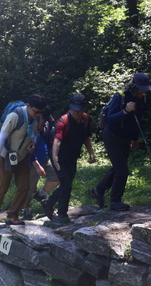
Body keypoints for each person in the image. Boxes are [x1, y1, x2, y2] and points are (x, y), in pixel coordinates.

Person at [90, 73, 151, 211]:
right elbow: (111, 120)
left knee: (119, 167)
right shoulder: (121, 96)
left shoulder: (142, 99)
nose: (143, 91)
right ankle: (115, 201)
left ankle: (98, 191)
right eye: (141, 89)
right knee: (122, 170)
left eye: (145, 89)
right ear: (134, 86)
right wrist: (125, 111)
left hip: (126, 137)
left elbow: (137, 121)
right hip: (112, 135)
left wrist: (135, 139)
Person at [0, 94, 47, 225]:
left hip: (23, 156)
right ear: (28, 106)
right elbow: (1, 137)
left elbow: (35, 134)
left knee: (24, 187)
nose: (38, 114)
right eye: (36, 111)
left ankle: (13, 214)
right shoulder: (15, 116)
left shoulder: (37, 119)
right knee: (3, 186)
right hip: (7, 156)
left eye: (41, 112)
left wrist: (32, 144)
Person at [43, 94, 96, 223]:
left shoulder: (86, 119)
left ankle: (49, 203)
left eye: (79, 110)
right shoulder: (63, 121)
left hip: (72, 155)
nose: (76, 112)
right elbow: (57, 141)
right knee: (66, 185)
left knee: (66, 184)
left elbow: (86, 138)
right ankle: (62, 214)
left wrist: (91, 153)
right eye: (73, 109)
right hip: (58, 156)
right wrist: (54, 157)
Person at [21, 108, 59, 220]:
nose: (45, 122)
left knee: (56, 177)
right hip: (31, 163)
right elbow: (28, 150)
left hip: (45, 158)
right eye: (44, 119)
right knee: (29, 188)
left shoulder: (46, 126)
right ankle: (25, 209)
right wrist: (37, 166)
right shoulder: (30, 128)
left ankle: (41, 194)